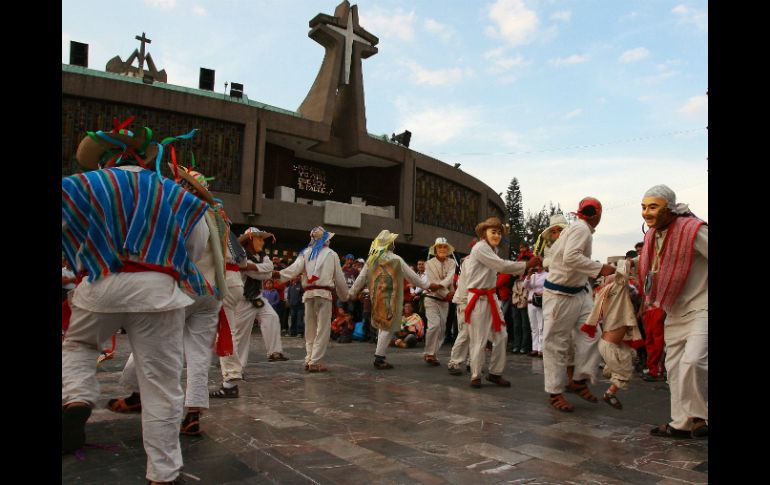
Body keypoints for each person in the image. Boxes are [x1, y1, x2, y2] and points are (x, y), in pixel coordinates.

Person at [61, 119, 209, 484]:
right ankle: (163, 473)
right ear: (145, 158)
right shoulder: (172, 191)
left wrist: (80, 261)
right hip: (158, 290)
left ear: (106, 158)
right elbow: (198, 243)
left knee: (80, 345)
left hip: (99, 283)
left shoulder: (85, 184)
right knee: (161, 385)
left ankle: (77, 397)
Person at [107, 165, 231, 437]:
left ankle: (137, 394)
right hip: (212, 293)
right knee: (199, 355)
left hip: (186, 287)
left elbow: (183, 251)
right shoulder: (219, 217)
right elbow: (228, 258)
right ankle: (194, 412)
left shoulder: (185, 211)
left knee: (149, 338)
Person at [638, 185, 708, 439]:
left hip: (702, 305)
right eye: (644, 207)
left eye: (653, 207)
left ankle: (700, 416)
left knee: (693, 361)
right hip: (674, 309)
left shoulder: (693, 230)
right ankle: (681, 423)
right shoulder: (651, 236)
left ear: (669, 209)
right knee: (675, 368)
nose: (647, 212)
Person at [542, 197, 616, 412]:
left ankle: (578, 379)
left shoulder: (577, 229)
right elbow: (570, 258)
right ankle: (555, 392)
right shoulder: (580, 229)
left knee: (591, 334)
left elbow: (561, 259)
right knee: (556, 344)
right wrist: (600, 269)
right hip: (560, 295)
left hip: (579, 292)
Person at [210, 227, 288, 399]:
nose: (262, 242)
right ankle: (238, 370)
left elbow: (266, 269)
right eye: (259, 239)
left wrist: (250, 268)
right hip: (243, 300)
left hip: (257, 297)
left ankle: (274, 352)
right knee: (239, 336)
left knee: (272, 317)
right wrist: (258, 270)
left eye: (262, 239)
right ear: (250, 240)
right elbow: (263, 273)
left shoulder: (261, 256)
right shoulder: (240, 253)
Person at [463, 217, 540, 388]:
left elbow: (501, 266)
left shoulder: (493, 249)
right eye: (493, 232)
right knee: (479, 339)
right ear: (484, 233)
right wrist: (526, 264)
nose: (497, 235)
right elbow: (501, 266)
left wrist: (525, 265)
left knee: (502, 336)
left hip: (491, 298)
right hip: (478, 299)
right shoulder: (480, 248)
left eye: (499, 232)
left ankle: (495, 373)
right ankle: (476, 375)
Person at [274, 226, 350, 372]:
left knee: (310, 328)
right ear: (325, 240)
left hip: (308, 295)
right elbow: (339, 278)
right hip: (324, 294)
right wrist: (345, 295)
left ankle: (309, 358)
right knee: (322, 329)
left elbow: (294, 269)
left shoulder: (305, 253)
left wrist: (278, 275)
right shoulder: (332, 254)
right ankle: (315, 361)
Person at [349, 230, 426, 369]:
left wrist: (351, 293)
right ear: (390, 244)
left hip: (376, 297)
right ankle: (379, 358)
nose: (394, 244)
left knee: (382, 326)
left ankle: (380, 356)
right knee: (387, 327)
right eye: (393, 242)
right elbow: (412, 277)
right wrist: (426, 286)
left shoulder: (371, 259)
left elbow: (361, 278)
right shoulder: (395, 259)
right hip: (390, 297)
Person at [580, 260, 644, 410]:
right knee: (625, 371)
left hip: (611, 344)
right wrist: (627, 261)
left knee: (630, 356)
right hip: (610, 346)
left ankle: (610, 371)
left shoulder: (606, 292)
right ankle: (609, 393)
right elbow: (622, 272)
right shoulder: (617, 287)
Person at [422, 237, 456, 366]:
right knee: (434, 326)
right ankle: (429, 353)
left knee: (442, 329)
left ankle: (433, 354)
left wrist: (444, 290)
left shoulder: (452, 262)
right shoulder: (429, 263)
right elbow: (432, 282)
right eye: (439, 247)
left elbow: (449, 279)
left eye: (444, 247)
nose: (442, 249)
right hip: (431, 299)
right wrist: (447, 293)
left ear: (448, 249)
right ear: (435, 249)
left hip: (444, 301)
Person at [524, 264, 547, 358]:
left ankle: (541, 349)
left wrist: (541, 293)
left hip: (540, 302)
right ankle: (535, 348)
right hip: (530, 302)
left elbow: (548, 288)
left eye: (539, 265)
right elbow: (525, 286)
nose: (537, 267)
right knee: (533, 327)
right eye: (536, 266)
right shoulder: (532, 276)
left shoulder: (547, 275)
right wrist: (528, 275)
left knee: (541, 326)